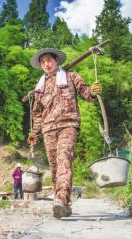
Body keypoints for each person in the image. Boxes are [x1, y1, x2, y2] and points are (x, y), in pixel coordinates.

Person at [27, 48, 101, 218]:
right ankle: (65, 205)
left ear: (56, 61)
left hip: (68, 125)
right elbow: (37, 114)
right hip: (48, 129)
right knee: (54, 167)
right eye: (43, 61)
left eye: (49, 60)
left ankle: (59, 199)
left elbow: (85, 92)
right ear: (40, 65)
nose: (46, 63)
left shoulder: (71, 76)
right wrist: (34, 132)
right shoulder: (39, 88)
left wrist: (92, 92)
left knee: (63, 159)